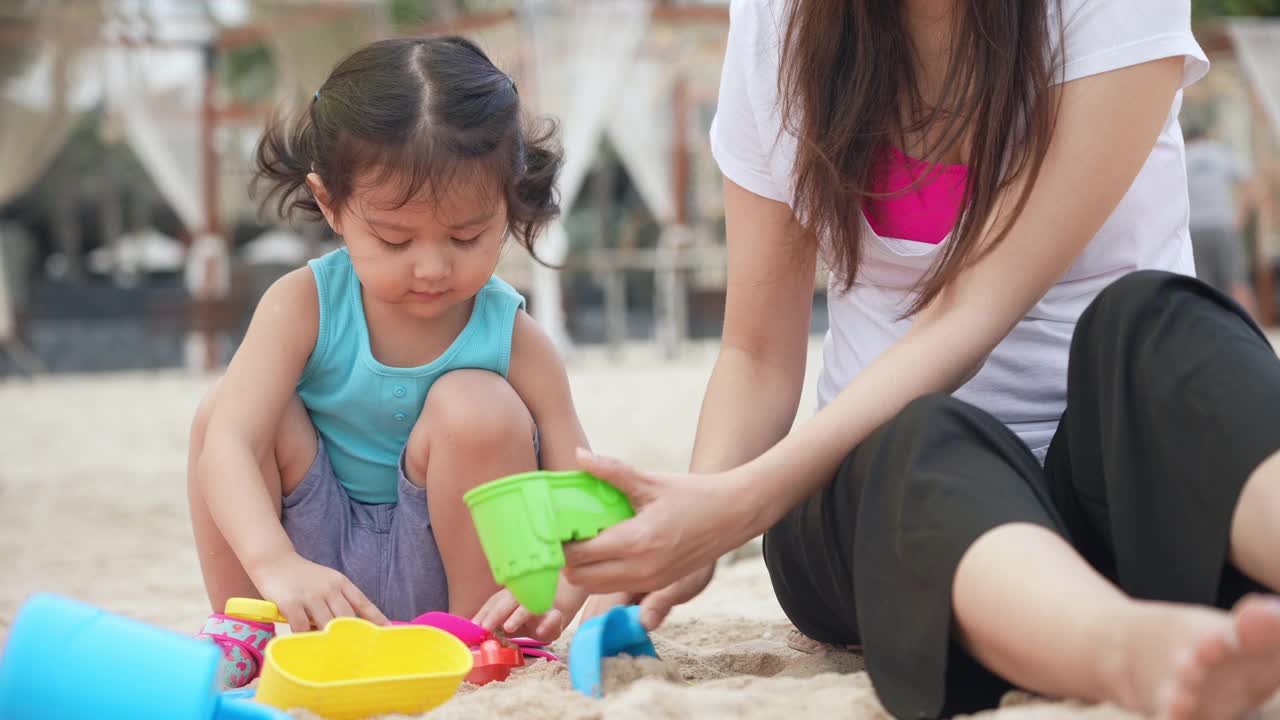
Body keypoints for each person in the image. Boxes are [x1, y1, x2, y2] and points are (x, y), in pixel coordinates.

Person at [560, 1, 1280, 718]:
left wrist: (739, 502)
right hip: (896, 506)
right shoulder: (779, 18)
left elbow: (974, 308)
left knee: (1160, 321)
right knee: (918, 431)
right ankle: (1130, 651)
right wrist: (691, 520)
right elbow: (754, 354)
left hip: (1129, 483)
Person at [186, 37, 596, 689]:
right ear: (330, 204)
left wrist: (572, 573)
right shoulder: (302, 306)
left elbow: (580, 483)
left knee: (479, 406)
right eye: (395, 238)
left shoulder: (513, 337)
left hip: (459, 582)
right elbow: (232, 444)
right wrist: (275, 565)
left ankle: (488, 642)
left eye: (467, 236)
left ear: (509, 202)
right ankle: (248, 628)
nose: (433, 266)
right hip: (306, 571)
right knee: (224, 415)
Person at [1184, 120, 1257, 313]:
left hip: (1194, 230)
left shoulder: (1182, 155)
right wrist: (1240, 217)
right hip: (1223, 227)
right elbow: (1249, 182)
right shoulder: (1220, 152)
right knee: (1237, 282)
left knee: (1202, 286)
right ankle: (1250, 331)